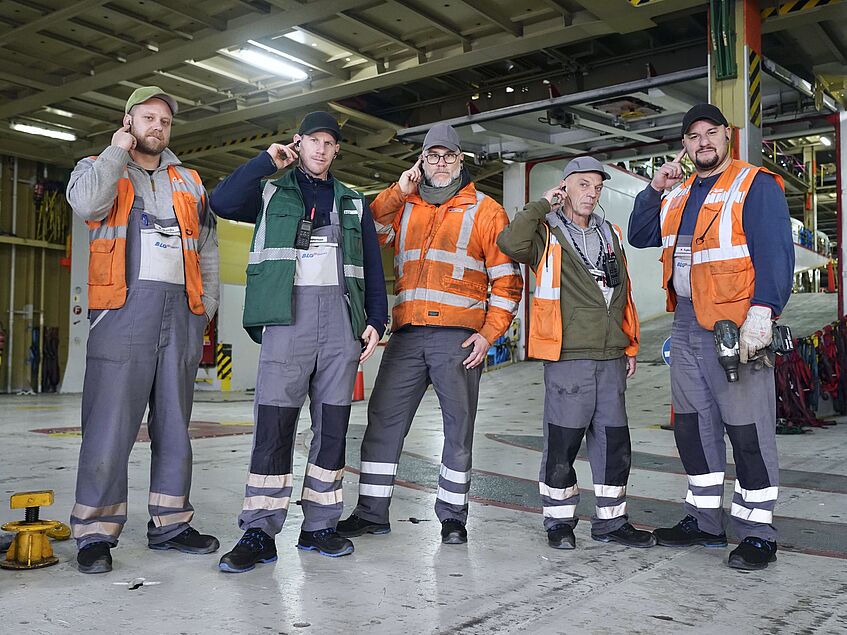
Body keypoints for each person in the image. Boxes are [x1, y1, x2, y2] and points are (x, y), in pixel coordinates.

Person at [209, 111, 388, 573]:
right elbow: (223, 202)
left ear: (336, 151)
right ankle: (260, 530)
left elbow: (370, 263)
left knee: (332, 428)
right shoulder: (270, 191)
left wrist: (377, 319)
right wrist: (267, 161)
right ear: (299, 142)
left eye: (330, 144)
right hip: (286, 320)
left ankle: (319, 526)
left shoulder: (352, 201)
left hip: (340, 325)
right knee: (274, 425)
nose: (322, 150)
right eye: (314, 141)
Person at [337, 123, 522, 545]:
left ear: (461, 160)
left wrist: (489, 334)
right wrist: (398, 191)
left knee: (457, 429)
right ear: (421, 162)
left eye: (448, 156)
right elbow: (363, 229)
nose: (440, 164)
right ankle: (370, 513)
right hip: (405, 335)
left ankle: (453, 517)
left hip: (457, 338)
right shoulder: (405, 206)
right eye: (432, 157)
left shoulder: (485, 210)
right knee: (382, 422)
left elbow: (508, 281)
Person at [628, 103, 794, 570]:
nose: (703, 141)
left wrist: (764, 313)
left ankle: (757, 532)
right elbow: (640, 234)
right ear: (684, 145)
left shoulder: (753, 184)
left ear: (727, 136)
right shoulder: (678, 194)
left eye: (711, 133)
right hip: (684, 324)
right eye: (693, 135)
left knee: (747, 429)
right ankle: (704, 522)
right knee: (692, 427)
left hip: (736, 326)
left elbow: (775, 251)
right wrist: (654, 187)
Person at [67, 86, 220, 574]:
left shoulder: (190, 181)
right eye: (148, 117)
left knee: (175, 423)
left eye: (165, 121)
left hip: (180, 315)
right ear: (129, 120)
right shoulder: (98, 166)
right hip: (122, 313)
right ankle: (95, 532)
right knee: (109, 426)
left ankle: (171, 523)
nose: (158, 126)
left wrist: (206, 308)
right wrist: (116, 151)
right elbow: (88, 205)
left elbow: (209, 247)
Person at [497, 157, 655, 550]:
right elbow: (509, 243)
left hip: (611, 357)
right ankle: (559, 521)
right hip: (568, 355)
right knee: (563, 442)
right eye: (583, 185)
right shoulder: (546, 233)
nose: (591, 193)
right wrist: (539, 206)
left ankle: (612, 521)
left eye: (597, 187)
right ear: (565, 188)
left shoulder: (611, 234)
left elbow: (624, 295)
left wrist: (629, 343)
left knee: (614, 443)